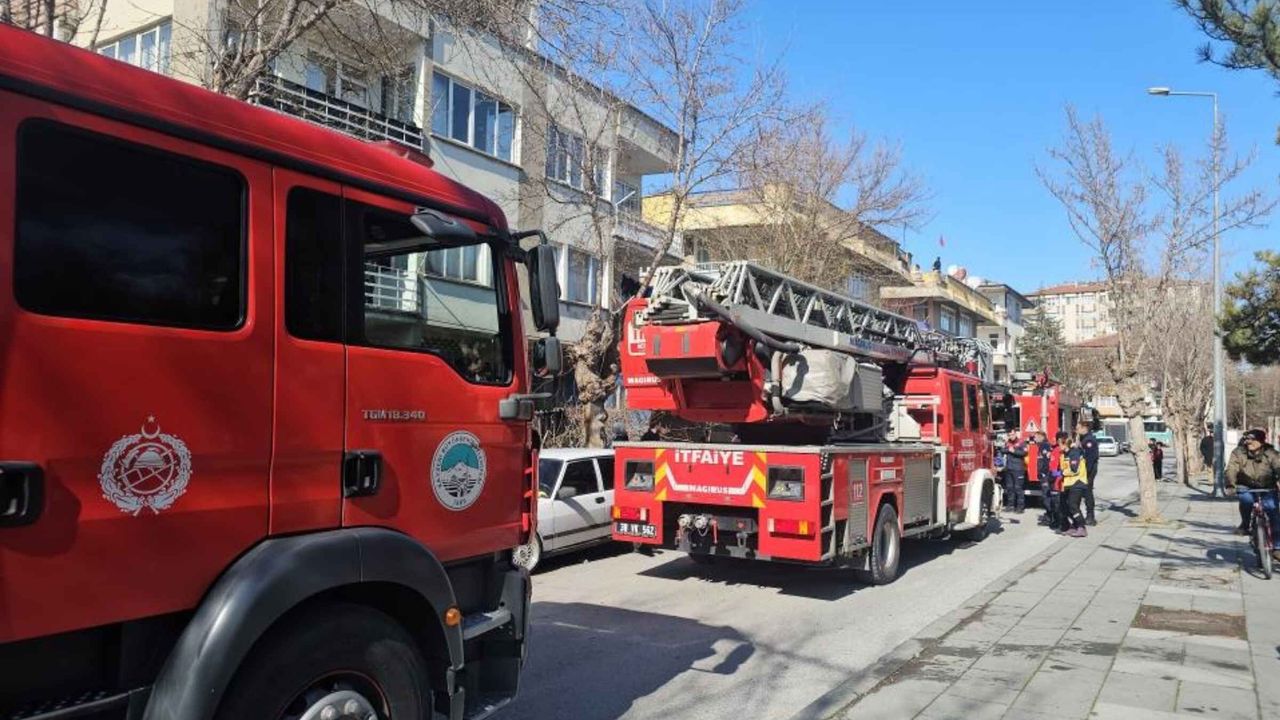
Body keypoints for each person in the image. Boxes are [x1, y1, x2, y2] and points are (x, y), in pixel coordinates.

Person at [1225, 429, 1280, 541]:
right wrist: (1231, 485)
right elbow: (1231, 469)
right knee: (1246, 501)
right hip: (1246, 485)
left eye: (1252, 440)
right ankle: (1245, 525)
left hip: (1267, 487)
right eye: (1247, 440)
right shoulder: (1239, 452)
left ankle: (1277, 547)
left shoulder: (1271, 453)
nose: (1248, 443)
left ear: (1261, 441)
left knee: (1273, 511)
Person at [1061, 443, 1090, 537]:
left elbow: (1074, 470)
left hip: (1078, 483)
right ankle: (1074, 526)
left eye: (1060, 443)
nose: (1059, 446)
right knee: (1067, 506)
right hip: (1069, 484)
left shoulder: (1074, 453)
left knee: (1073, 506)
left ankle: (1082, 527)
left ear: (1065, 444)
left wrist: (1062, 473)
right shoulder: (1066, 454)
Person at [1077, 422, 1099, 525]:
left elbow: (1090, 458)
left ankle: (1090, 517)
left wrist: (1086, 472)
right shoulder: (1084, 439)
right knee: (1085, 492)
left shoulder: (1089, 440)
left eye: (1078, 428)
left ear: (1084, 428)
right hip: (1085, 470)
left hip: (1088, 470)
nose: (1076, 430)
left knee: (1087, 492)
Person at [1003, 435, 1029, 513]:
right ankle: (1010, 505)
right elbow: (1002, 450)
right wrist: (1008, 449)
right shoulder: (1007, 443)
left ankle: (1020, 507)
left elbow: (1024, 452)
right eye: (1010, 435)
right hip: (1009, 468)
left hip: (1018, 469)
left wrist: (1014, 451)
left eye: (1012, 434)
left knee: (1018, 488)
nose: (1011, 436)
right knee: (1009, 488)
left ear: (1015, 434)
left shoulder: (1021, 442)